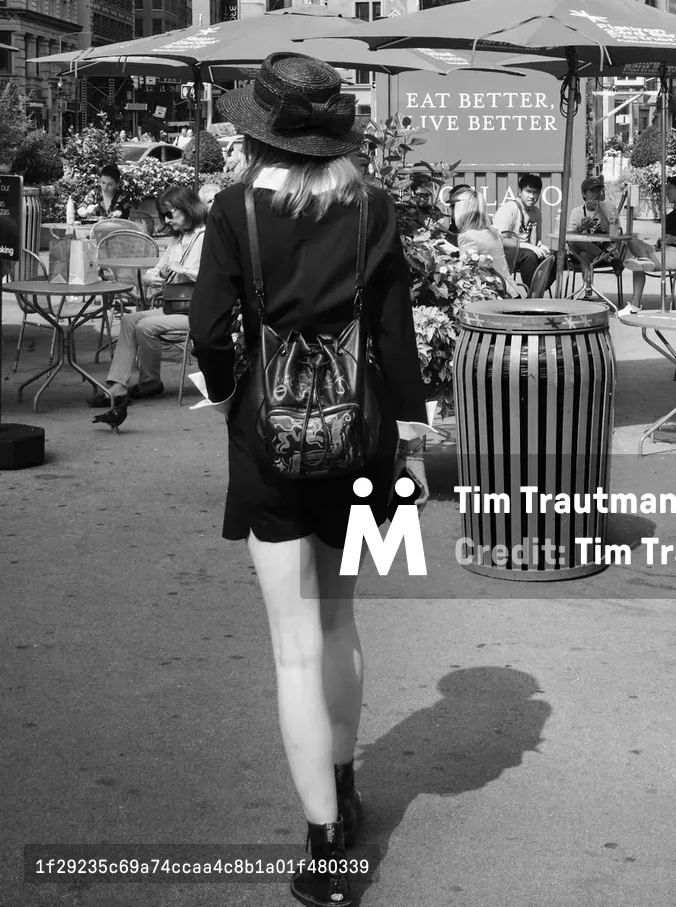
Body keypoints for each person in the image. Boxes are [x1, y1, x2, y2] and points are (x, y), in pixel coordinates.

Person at [187, 53, 427, 906]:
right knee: (342, 621)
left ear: (265, 130)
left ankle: (327, 848)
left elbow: (211, 329)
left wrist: (229, 397)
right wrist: (409, 439)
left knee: (293, 648)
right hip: (362, 436)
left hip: (268, 437)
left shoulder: (233, 211)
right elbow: (396, 340)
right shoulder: (374, 207)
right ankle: (347, 785)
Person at [92, 184, 208, 422]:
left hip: (200, 309)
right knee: (128, 319)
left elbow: (215, 275)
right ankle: (118, 384)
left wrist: (182, 269)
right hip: (175, 306)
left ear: (187, 207)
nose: (167, 219)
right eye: (164, 214)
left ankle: (150, 381)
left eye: (171, 212)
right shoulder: (177, 240)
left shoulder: (208, 236)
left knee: (145, 326)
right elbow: (155, 270)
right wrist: (152, 277)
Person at [626, 174, 676, 311]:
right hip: (668, 252)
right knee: (632, 240)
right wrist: (661, 243)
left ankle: (635, 305)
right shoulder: (669, 217)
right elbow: (668, 240)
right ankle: (646, 261)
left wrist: (675, 239)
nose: (667, 192)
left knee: (638, 263)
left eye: (670, 188)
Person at [494, 172, 554, 297]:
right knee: (530, 255)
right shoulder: (509, 209)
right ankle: (533, 294)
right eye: (528, 191)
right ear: (520, 191)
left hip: (525, 250)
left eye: (536, 192)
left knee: (556, 256)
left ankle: (538, 289)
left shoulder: (536, 212)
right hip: (507, 253)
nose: (532, 196)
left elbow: (536, 239)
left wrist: (540, 245)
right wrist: (529, 246)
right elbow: (498, 240)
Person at [452, 189, 522, 292]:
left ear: (461, 210)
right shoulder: (493, 232)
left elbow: (465, 276)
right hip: (512, 290)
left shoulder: (466, 236)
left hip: (494, 295)